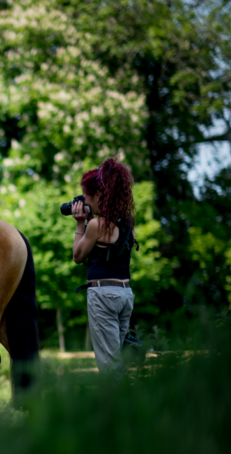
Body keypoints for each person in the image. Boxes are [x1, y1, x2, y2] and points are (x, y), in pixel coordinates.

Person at [71, 158, 137, 378]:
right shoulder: (127, 221)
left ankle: (121, 408)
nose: (84, 202)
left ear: (99, 195)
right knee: (117, 359)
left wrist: (80, 222)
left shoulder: (95, 225)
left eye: (86, 197)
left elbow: (78, 256)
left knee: (109, 365)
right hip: (125, 294)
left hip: (103, 294)